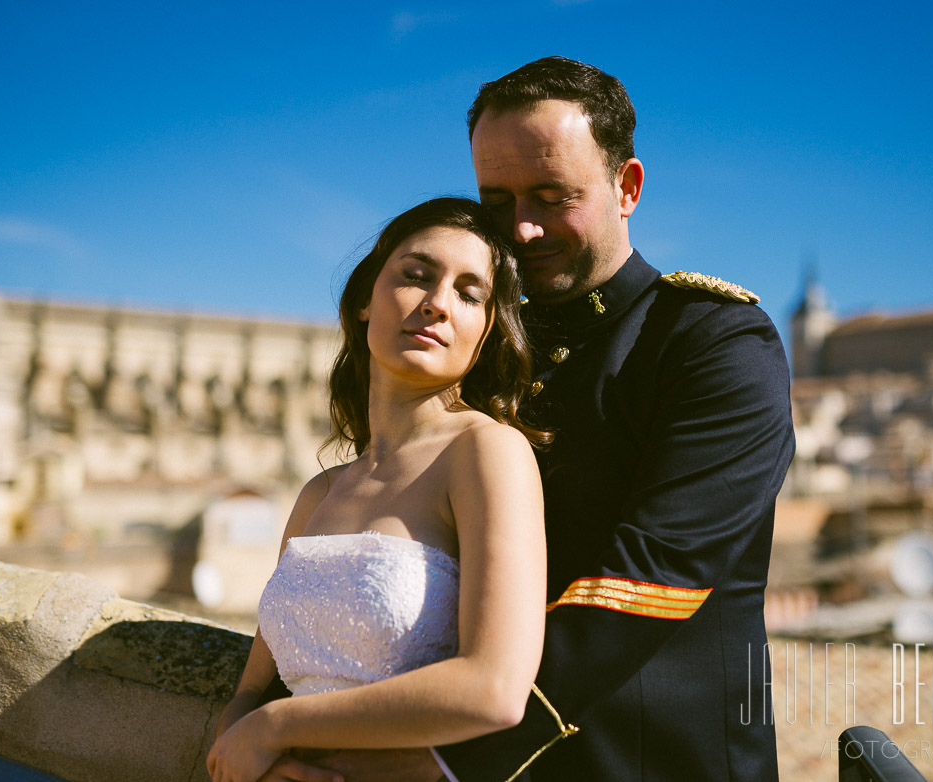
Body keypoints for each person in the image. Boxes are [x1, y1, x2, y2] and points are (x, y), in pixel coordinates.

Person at [274, 56, 795, 782]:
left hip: (646, 760)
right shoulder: (473, 344)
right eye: (497, 200)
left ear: (627, 188)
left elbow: (655, 576)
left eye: (552, 197)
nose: (520, 229)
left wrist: (447, 755)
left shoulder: (711, 342)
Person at [206, 197, 549, 782]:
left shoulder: (486, 451)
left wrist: (280, 729)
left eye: (469, 294)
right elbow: (253, 687)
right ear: (365, 300)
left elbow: (493, 689)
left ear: (485, 330)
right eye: (416, 276)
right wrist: (246, 744)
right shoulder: (319, 494)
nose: (438, 304)